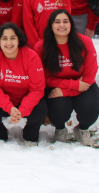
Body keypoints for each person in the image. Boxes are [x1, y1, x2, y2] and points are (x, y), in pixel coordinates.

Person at [35, 10, 99, 146]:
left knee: (90, 109)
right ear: (51, 25)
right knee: (58, 111)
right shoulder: (41, 46)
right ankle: (60, 129)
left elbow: (90, 74)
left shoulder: (84, 42)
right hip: (57, 86)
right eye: (57, 22)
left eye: (65, 21)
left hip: (83, 85)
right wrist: (73, 86)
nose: (61, 25)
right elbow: (43, 78)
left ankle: (82, 129)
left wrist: (67, 90)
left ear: (71, 24)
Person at [0, 23, 46, 146]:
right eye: (4, 38)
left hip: (26, 98)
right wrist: (9, 108)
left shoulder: (31, 56)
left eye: (13, 38)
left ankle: (30, 134)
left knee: (41, 108)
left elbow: (37, 89)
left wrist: (21, 110)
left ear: (19, 40)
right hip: (5, 100)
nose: (9, 43)